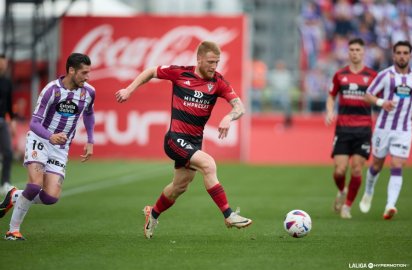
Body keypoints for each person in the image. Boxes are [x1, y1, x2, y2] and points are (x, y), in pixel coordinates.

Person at [115, 41, 252, 239]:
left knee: (179, 187)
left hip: (194, 142)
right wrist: (129, 90)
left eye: (217, 62)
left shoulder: (218, 82)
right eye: (210, 62)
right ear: (199, 59)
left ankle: (152, 214)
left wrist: (229, 116)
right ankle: (229, 215)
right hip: (175, 139)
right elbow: (151, 71)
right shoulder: (180, 73)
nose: (214, 66)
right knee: (208, 164)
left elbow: (240, 107)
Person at [0, 53, 95, 240]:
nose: (87, 77)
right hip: (40, 139)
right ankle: (13, 230)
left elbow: (89, 114)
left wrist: (90, 140)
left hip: (61, 147)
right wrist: (50, 136)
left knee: (51, 197)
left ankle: (14, 196)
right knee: (34, 186)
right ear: (71, 70)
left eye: (89, 73)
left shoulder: (89, 92)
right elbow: (34, 123)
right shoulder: (51, 90)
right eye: (84, 73)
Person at [359, 40, 412, 220]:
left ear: (410, 55)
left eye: (405, 53)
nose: (402, 56)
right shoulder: (385, 75)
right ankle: (369, 191)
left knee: (397, 165)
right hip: (383, 128)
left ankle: (390, 205)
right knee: (376, 165)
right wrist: (383, 102)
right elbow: (368, 95)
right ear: (393, 54)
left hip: (404, 130)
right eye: (399, 53)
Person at [325, 38, 377, 219]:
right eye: (352, 50)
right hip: (343, 129)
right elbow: (331, 96)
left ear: (363, 52)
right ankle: (342, 190)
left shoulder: (372, 76)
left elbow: (382, 98)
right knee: (339, 171)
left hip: (363, 130)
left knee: (356, 169)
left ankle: (347, 206)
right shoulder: (340, 75)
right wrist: (330, 111)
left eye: (358, 50)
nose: (355, 52)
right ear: (348, 52)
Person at [0, 54, 16, 195]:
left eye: (5, 63)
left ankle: (5, 182)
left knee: (8, 152)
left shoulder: (7, 82)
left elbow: (9, 103)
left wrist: (12, 120)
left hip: (2, 121)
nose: (3, 65)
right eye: (1, 63)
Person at [267, 60, 293, 127]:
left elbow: (288, 85)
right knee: (276, 97)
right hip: (275, 92)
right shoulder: (273, 73)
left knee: (286, 102)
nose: (280, 66)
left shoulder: (287, 74)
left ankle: (287, 121)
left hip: (284, 93)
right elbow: (271, 84)